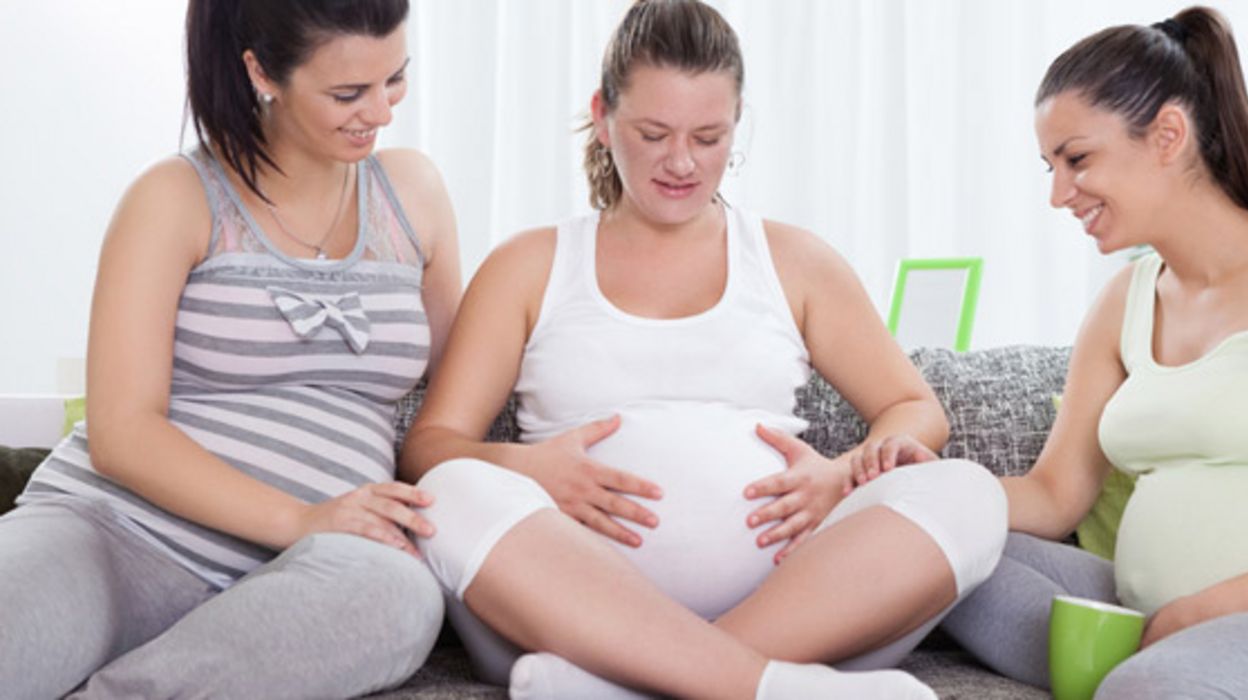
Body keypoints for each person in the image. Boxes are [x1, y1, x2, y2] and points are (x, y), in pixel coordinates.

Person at [399, 1, 1006, 698]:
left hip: (786, 605)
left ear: (737, 122)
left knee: (969, 494)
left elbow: (911, 407)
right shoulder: (530, 264)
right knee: (449, 495)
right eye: (652, 133)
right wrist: (529, 467)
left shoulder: (794, 261)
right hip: (562, 611)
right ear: (602, 116)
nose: (681, 162)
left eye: (709, 136)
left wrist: (841, 473)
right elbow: (431, 445)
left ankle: (631, 685)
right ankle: (761, 687)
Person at [933, 6, 1248, 698]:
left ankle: (1145, 674)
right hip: (1152, 617)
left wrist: (1204, 611)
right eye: (1049, 167)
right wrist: (919, 490)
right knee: (929, 555)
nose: (1059, 194)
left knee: (1150, 688)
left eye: (1077, 159)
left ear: (1168, 135)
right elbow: (1054, 494)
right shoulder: (1125, 297)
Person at [0, 1, 462, 697]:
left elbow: (460, 398)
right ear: (260, 73)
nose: (381, 111)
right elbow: (122, 434)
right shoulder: (176, 196)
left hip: (320, 566)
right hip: (114, 534)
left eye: (394, 79)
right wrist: (299, 515)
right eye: (347, 93)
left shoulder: (413, 194)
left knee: (399, 596)